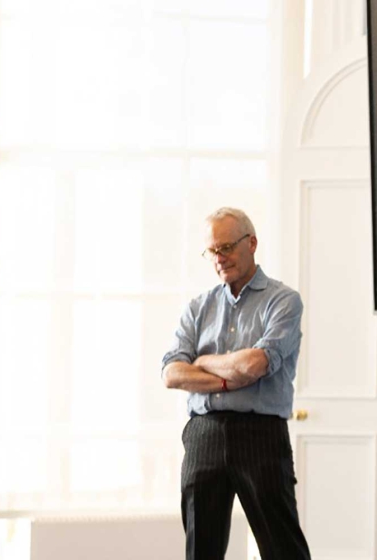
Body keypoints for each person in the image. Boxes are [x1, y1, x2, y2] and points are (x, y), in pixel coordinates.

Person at [162, 207, 312, 560]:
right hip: (203, 435)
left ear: (252, 243)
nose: (220, 258)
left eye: (227, 246)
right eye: (213, 251)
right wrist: (228, 379)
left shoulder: (283, 301)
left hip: (260, 434)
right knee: (202, 551)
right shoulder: (198, 307)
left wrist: (202, 363)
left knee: (282, 548)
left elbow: (255, 364)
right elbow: (171, 373)